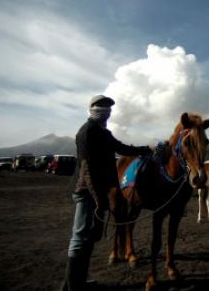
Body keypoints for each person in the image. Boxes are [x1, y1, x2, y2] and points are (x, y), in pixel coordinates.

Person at [62, 95, 152, 291]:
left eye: (109, 107)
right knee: (79, 239)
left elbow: (123, 148)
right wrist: (99, 200)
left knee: (90, 237)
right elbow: (86, 170)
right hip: (86, 191)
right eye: (101, 106)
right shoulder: (86, 132)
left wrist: (147, 149)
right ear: (92, 109)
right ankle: (73, 286)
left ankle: (78, 281)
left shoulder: (103, 132)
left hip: (97, 191)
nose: (106, 111)